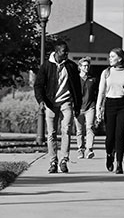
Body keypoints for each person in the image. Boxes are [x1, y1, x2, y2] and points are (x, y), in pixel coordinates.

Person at [34, 40, 82, 173]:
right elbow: (38, 85)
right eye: (63, 52)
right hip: (50, 103)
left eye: (67, 51)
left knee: (66, 130)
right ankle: (53, 161)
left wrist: (77, 106)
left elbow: (77, 87)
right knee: (52, 133)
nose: (66, 54)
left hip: (66, 102)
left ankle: (64, 160)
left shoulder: (71, 66)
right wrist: (41, 101)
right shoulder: (46, 66)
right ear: (56, 52)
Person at [96, 48, 124, 174]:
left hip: (123, 104)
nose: (110, 59)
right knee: (110, 137)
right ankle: (109, 155)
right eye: (109, 56)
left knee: (120, 136)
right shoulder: (106, 72)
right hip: (110, 104)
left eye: (112, 56)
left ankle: (119, 163)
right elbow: (101, 92)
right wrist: (98, 108)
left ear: (120, 58)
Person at [75, 56, 97, 159]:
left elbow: (96, 93)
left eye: (88, 66)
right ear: (79, 67)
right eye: (84, 66)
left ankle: (89, 149)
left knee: (90, 128)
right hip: (78, 108)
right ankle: (80, 149)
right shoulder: (75, 79)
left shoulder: (93, 79)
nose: (86, 68)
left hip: (90, 107)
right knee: (79, 130)